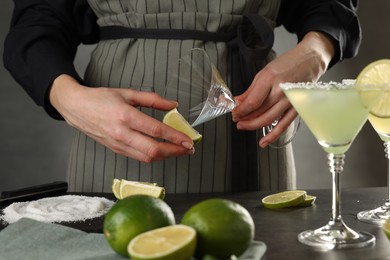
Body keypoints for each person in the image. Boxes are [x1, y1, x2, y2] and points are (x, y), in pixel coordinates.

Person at [4, 0, 361, 193]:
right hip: (115, 145)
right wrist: (70, 100)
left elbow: (330, 5)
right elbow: (35, 24)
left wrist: (314, 53)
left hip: (254, 141)